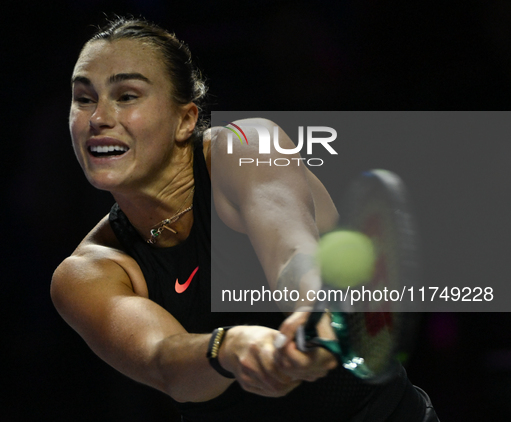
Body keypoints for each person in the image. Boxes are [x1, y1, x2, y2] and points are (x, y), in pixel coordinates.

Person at [51, 17, 438, 421]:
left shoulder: (248, 146)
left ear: (185, 119)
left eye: (127, 95)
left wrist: (313, 309)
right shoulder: (86, 273)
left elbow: (291, 250)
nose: (98, 117)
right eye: (84, 98)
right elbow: (165, 364)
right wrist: (230, 349)